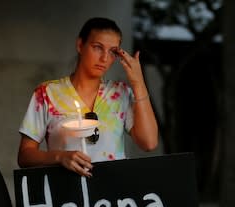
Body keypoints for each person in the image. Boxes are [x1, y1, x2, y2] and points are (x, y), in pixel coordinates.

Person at [18, 17, 158, 177]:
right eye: (97, 47)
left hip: (113, 194)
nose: (105, 58)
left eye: (112, 51)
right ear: (80, 45)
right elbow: (25, 156)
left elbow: (149, 143)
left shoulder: (121, 93)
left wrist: (138, 83)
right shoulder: (47, 93)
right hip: (67, 195)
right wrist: (59, 157)